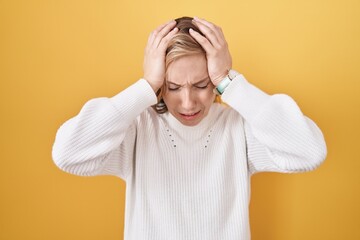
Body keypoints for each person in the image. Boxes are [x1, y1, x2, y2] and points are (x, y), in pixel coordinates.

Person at [52, 16, 327, 240]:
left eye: (201, 85)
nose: (188, 102)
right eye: (172, 87)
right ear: (161, 85)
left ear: (215, 81)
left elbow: (309, 152)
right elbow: (68, 154)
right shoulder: (139, 129)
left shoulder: (237, 128)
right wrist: (145, 86)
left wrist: (229, 82)